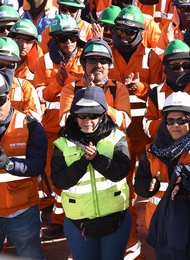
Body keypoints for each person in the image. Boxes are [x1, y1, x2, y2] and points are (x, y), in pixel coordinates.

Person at [51, 86, 131, 260]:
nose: (88, 121)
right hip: (78, 222)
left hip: (116, 219)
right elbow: (59, 181)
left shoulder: (117, 136)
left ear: (103, 115)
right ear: (74, 116)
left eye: (94, 115)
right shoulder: (62, 143)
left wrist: (96, 159)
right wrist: (82, 163)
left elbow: (121, 171)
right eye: (82, 115)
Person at [136, 91, 190, 260]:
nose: (175, 125)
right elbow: (139, 186)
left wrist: (185, 188)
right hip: (162, 224)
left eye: (181, 120)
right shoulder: (150, 151)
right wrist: (150, 185)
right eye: (170, 120)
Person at [0, 69, 47, 260]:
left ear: (8, 97)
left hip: (22, 213)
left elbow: (37, 165)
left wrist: (10, 164)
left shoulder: (31, 125)